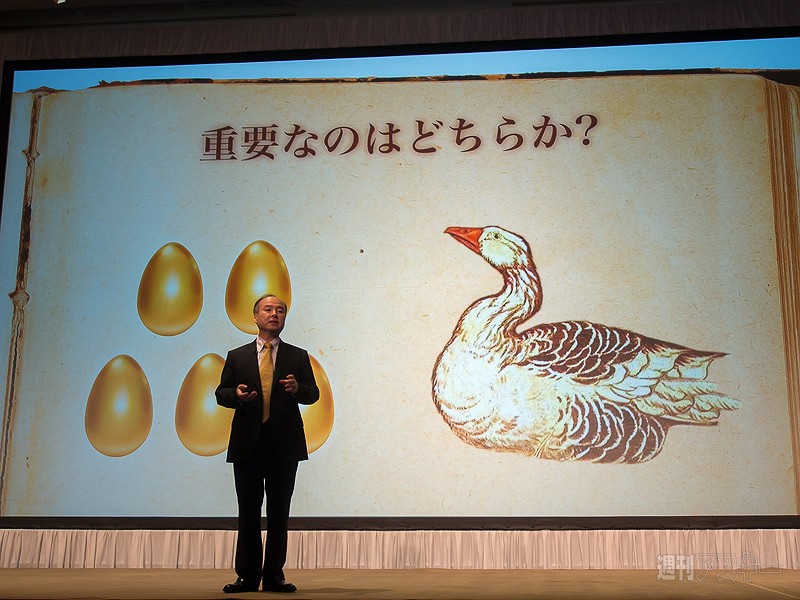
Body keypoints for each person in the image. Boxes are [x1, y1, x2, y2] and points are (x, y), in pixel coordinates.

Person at [216, 294, 320, 593]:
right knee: (248, 512)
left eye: (280, 310)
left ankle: (274, 575)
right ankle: (247, 576)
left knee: (278, 512)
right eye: (268, 309)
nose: (274, 314)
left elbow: (313, 394)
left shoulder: (297, 356)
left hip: (284, 445)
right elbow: (221, 393)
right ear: (255, 317)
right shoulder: (237, 356)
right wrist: (236, 395)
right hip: (247, 444)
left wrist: (297, 388)